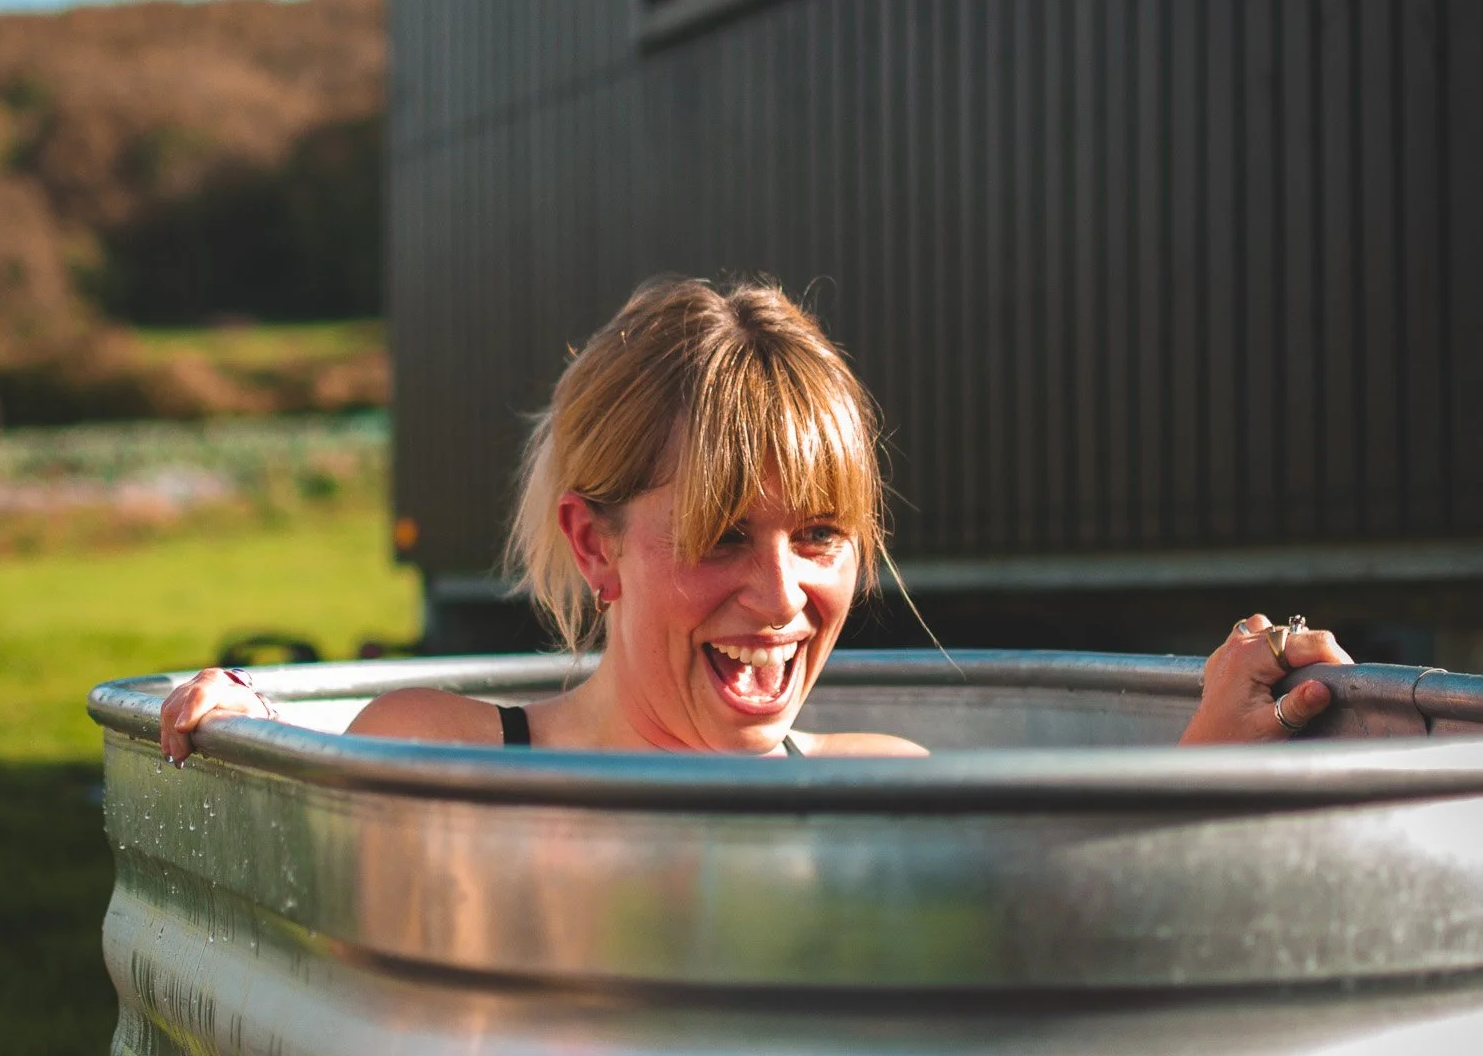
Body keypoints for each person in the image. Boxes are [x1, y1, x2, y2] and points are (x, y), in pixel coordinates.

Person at [159, 278, 1351, 764]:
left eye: (820, 535)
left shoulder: (884, 788)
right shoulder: (443, 752)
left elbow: (1051, 975)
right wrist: (261, 744)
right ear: (594, 545)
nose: (781, 598)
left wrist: (1218, 753)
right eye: (723, 535)